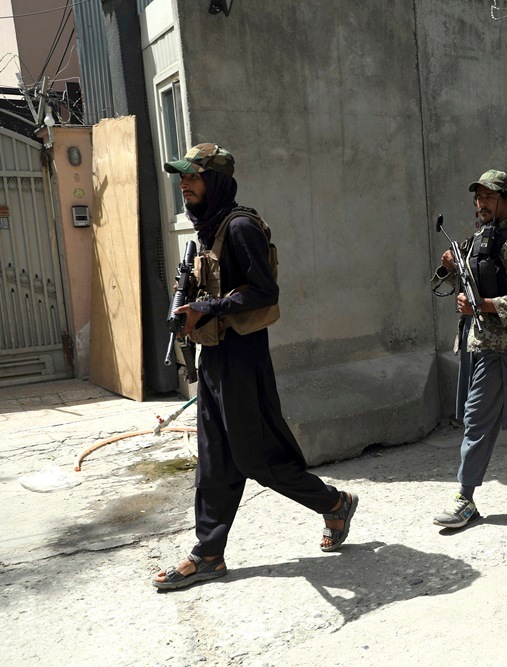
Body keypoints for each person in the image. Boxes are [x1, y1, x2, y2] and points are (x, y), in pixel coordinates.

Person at [152, 144, 358, 590]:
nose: (185, 184)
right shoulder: (207, 228)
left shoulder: (241, 226)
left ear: (218, 181)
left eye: (194, 177)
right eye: (182, 178)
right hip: (215, 357)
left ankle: (334, 502)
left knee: (255, 457)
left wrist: (205, 306)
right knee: (213, 459)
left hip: (243, 359)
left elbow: (264, 291)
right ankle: (208, 552)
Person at [431, 169, 507, 528]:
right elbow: (468, 282)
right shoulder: (479, 237)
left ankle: (465, 499)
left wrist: (482, 306)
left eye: (488, 197)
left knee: (478, 419)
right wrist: (451, 268)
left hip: (499, 342)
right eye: (478, 197)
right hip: (473, 338)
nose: (481, 203)